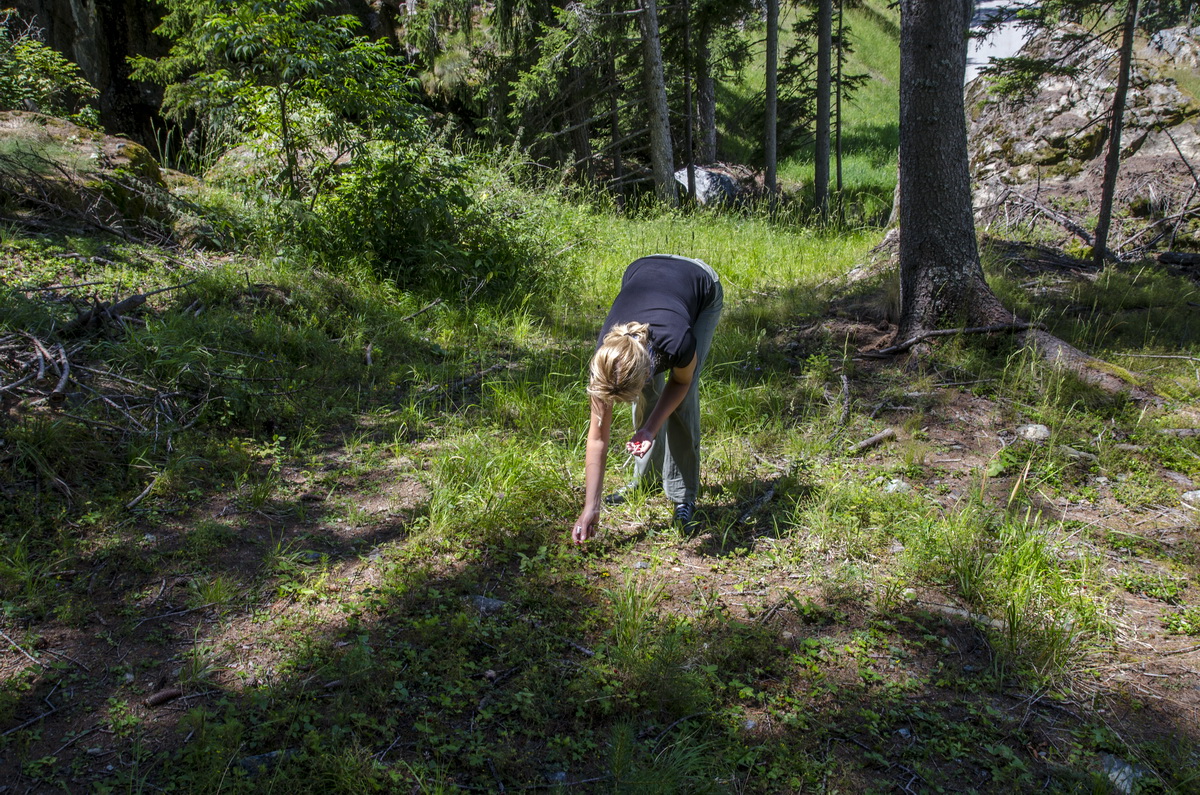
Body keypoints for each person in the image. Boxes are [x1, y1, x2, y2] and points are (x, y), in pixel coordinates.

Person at [571, 254, 724, 544]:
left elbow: (681, 382)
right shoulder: (606, 361)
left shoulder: (678, 342)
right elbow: (598, 438)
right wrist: (591, 507)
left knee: (682, 400)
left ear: (647, 370)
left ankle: (682, 496)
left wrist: (650, 428)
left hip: (700, 282)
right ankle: (646, 479)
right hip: (644, 269)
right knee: (647, 394)